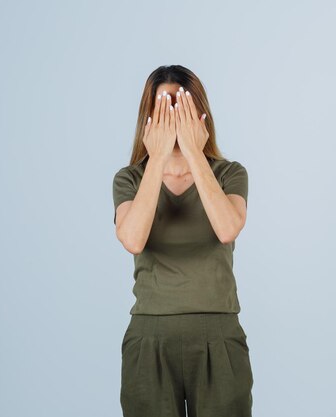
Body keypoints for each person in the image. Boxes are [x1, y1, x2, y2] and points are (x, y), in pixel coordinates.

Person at [112, 65, 254, 417]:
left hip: (219, 335)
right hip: (150, 337)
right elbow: (132, 239)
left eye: (179, 105)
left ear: (199, 112)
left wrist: (194, 152)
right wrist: (158, 157)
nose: (171, 117)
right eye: (160, 108)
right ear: (147, 117)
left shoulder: (230, 173)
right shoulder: (129, 179)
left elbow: (227, 228)